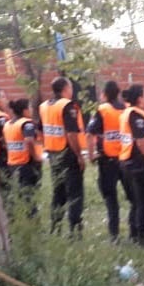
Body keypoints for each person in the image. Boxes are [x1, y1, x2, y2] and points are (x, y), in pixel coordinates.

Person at [87, 81, 134, 243]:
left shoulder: (103, 110)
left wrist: (91, 155)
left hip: (108, 161)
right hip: (126, 159)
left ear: (105, 94)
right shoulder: (127, 109)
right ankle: (134, 231)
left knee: (110, 198)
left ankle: (114, 235)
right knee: (133, 197)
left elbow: (90, 133)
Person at [39, 77, 85, 237]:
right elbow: (71, 133)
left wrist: (47, 144)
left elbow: (40, 130)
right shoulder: (67, 105)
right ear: (66, 89)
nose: (72, 91)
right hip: (68, 153)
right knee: (75, 193)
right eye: (70, 87)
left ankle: (55, 226)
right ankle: (75, 230)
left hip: (53, 154)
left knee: (58, 192)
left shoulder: (44, 106)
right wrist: (79, 155)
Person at [119, 85, 144, 246]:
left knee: (135, 201)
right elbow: (142, 141)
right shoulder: (135, 115)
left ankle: (134, 233)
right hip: (137, 162)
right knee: (143, 201)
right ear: (139, 98)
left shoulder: (128, 112)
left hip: (126, 161)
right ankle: (143, 237)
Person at [4, 98, 43, 216]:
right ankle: (32, 220)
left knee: (21, 194)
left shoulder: (8, 124)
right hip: (27, 164)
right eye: (30, 108)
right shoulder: (27, 124)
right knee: (30, 195)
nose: (31, 110)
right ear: (25, 110)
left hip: (13, 163)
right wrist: (36, 157)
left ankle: (20, 217)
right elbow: (29, 141)